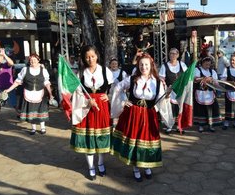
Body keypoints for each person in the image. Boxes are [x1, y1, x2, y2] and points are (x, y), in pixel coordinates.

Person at [110, 53, 168, 182]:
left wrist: (157, 108)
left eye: (146, 64)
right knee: (135, 141)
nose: (144, 67)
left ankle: (146, 166)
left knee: (147, 141)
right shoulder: (132, 79)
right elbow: (118, 88)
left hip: (149, 115)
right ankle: (136, 168)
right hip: (134, 114)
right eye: (141, 64)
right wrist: (124, 100)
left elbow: (160, 99)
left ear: (151, 65)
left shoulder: (158, 82)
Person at [70, 45, 114, 180]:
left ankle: (100, 163)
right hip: (86, 108)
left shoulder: (106, 71)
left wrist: (109, 96)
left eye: (93, 56)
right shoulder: (81, 73)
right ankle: (91, 167)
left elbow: (114, 89)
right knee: (89, 138)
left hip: (102, 107)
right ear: (84, 58)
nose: (90, 59)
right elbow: (77, 93)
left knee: (101, 138)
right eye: (87, 57)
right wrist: (86, 102)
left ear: (97, 56)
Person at [4, 53, 54, 134]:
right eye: (31, 60)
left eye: (34, 60)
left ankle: (42, 127)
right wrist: (8, 90)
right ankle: (33, 128)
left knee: (41, 110)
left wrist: (50, 94)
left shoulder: (43, 71)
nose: (32, 61)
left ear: (38, 60)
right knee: (31, 111)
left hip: (40, 93)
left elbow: (47, 83)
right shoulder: (25, 70)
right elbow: (17, 82)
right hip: (28, 93)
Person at [159, 48, 187, 134]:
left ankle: (179, 126)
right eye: (171, 53)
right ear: (169, 55)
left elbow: (187, 76)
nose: (173, 55)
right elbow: (161, 78)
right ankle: (169, 126)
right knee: (170, 108)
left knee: (180, 108)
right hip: (170, 90)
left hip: (180, 90)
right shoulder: (165, 65)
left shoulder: (182, 64)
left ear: (178, 55)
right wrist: (165, 87)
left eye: (175, 54)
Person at [193, 56, 222, 132]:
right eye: (206, 64)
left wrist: (214, 81)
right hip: (200, 93)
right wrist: (204, 78)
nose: (207, 66)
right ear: (202, 63)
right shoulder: (197, 70)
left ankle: (211, 125)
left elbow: (216, 82)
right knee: (200, 110)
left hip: (210, 94)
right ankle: (201, 126)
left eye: (209, 64)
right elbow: (195, 79)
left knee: (211, 109)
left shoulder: (213, 72)